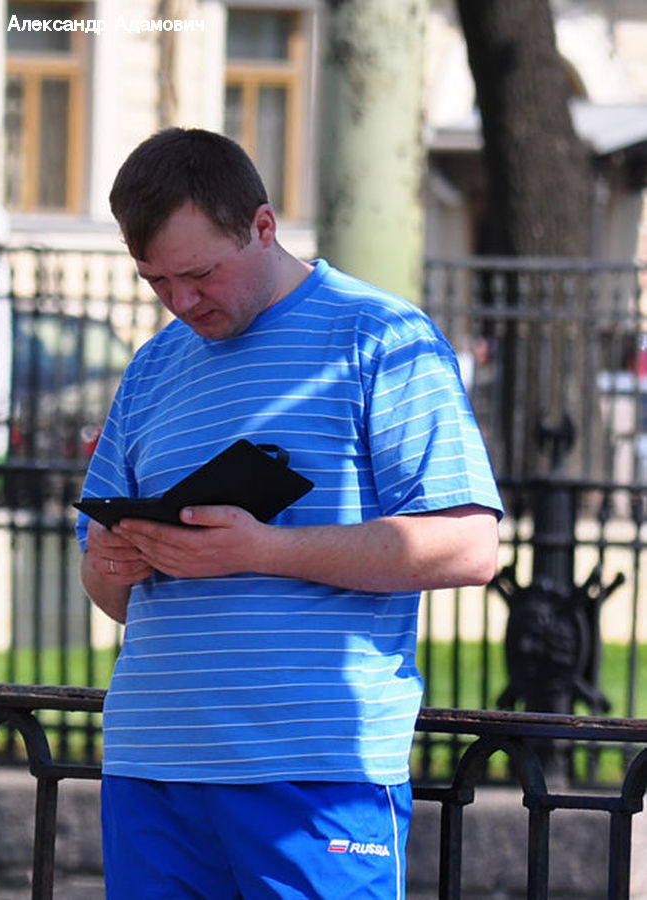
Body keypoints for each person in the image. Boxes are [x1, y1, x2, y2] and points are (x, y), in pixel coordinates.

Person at [76, 127, 502, 900]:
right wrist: (110, 563)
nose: (181, 302)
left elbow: (470, 546)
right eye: (155, 282)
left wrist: (260, 550)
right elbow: (106, 592)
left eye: (200, 273)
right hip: (151, 763)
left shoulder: (380, 337)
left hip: (313, 769)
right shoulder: (150, 368)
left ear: (264, 226)